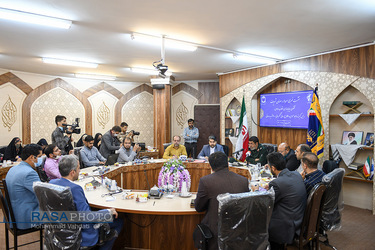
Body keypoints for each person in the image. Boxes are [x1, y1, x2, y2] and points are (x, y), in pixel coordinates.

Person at [50, 155, 123, 249]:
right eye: (78, 168)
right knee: (118, 221)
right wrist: (108, 211)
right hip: (81, 234)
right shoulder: (75, 189)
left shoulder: (52, 183)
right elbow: (87, 216)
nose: (80, 171)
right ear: (72, 172)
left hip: (59, 232)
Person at [195, 151, 249, 250]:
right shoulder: (243, 180)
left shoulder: (206, 181)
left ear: (210, 167)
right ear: (227, 164)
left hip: (215, 233)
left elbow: (199, 208)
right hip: (239, 231)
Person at [266, 152, 306, 249]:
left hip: (286, 225)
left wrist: (258, 190)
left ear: (273, 168)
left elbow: (267, 204)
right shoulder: (296, 174)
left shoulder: (276, 183)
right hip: (299, 218)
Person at [5, 144, 43, 229]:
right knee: (63, 212)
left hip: (12, 215)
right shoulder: (30, 173)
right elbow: (43, 194)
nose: (40, 160)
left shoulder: (13, 169)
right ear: (31, 157)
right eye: (39, 156)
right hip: (25, 216)